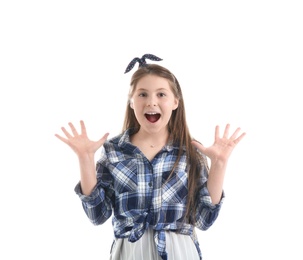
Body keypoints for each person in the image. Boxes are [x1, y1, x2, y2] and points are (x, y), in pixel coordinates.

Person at [55, 54, 246, 260]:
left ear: (175, 102)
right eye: (143, 94)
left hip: (179, 252)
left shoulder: (189, 151)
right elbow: (97, 215)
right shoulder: (114, 150)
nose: (151, 102)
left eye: (161, 94)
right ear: (131, 102)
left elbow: (204, 219)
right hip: (130, 252)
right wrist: (85, 159)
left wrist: (219, 163)